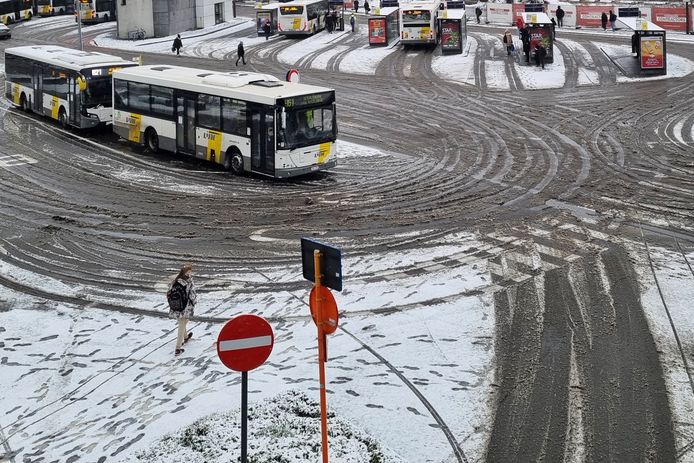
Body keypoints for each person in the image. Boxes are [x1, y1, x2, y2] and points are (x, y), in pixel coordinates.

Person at [169, 263, 197, 356]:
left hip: (176, 306)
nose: (190, 273)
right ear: (186, 273)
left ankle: (185, 337)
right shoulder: (189, 282)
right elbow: (192, 295)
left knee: (182, 322)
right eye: (189, 272)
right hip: (185, 307)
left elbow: (169, 292)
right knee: (182, 323)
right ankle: (178, 348)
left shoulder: (176, 280)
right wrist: (194, 302)